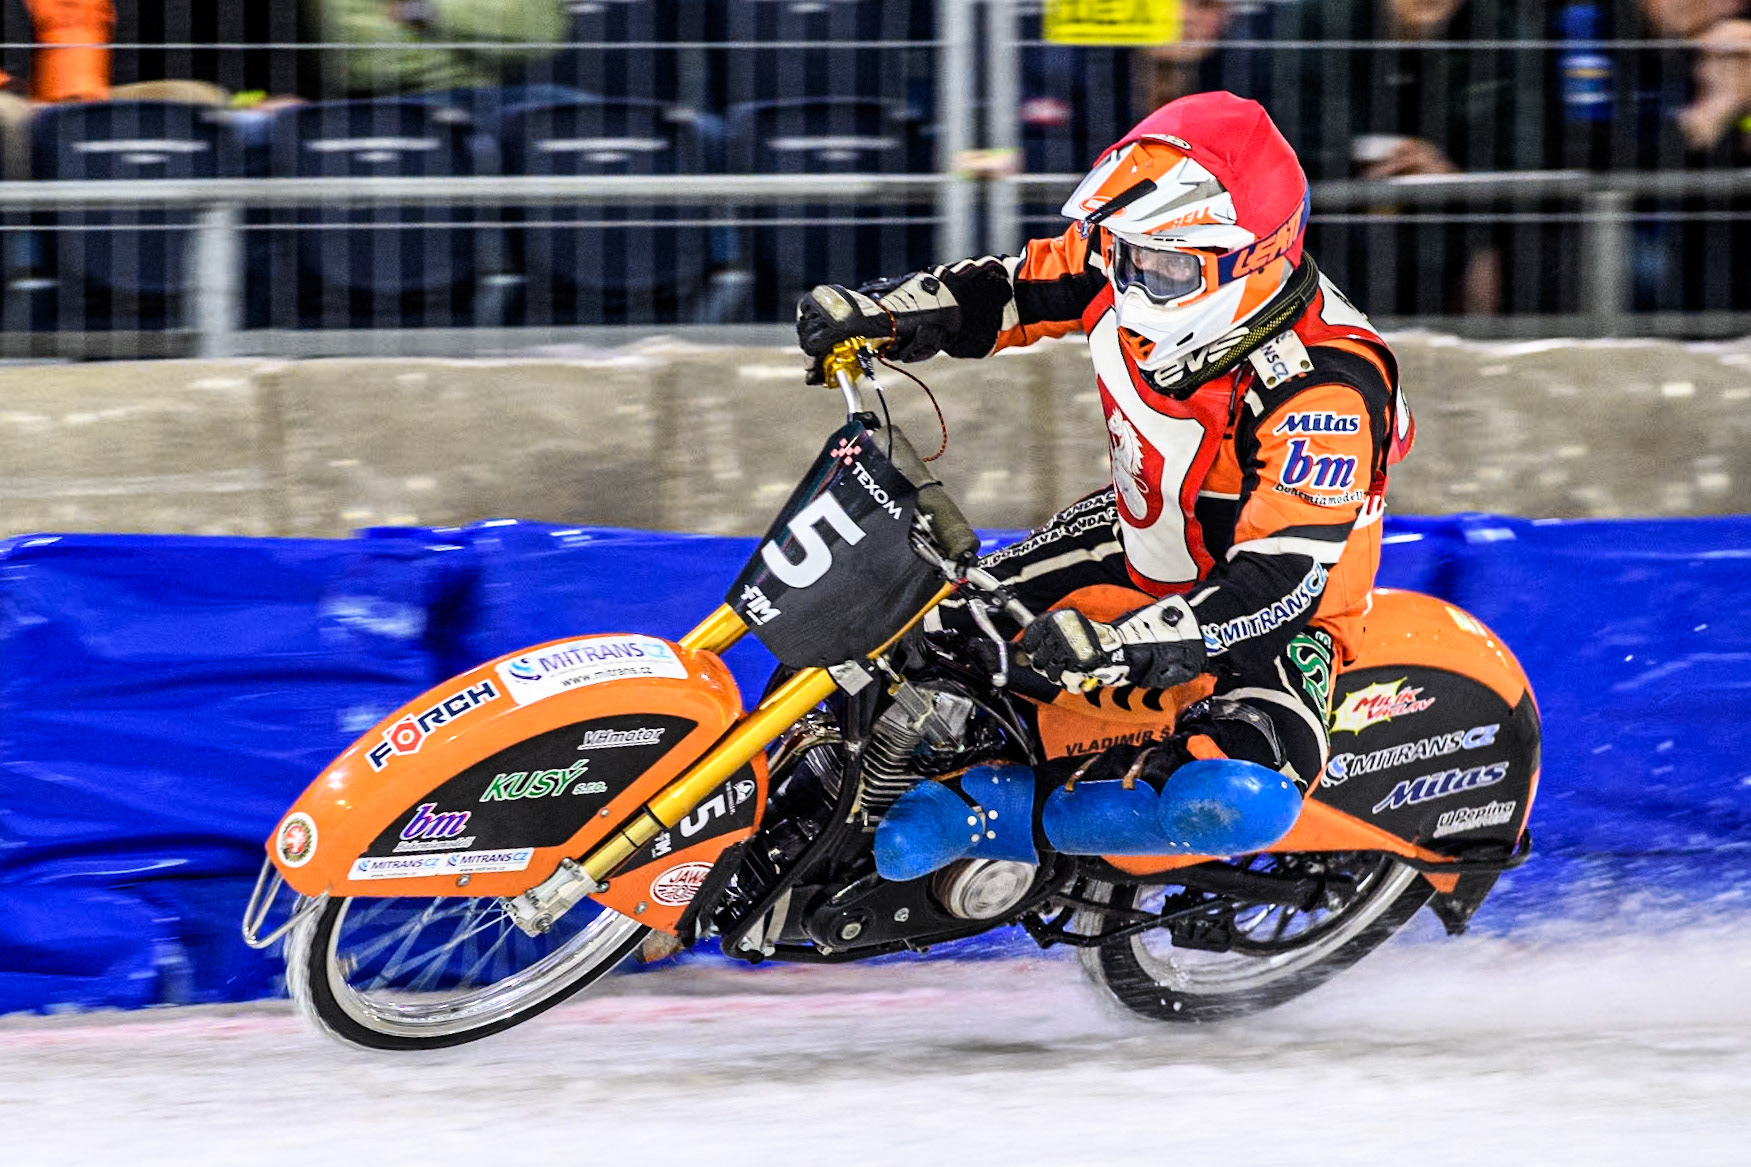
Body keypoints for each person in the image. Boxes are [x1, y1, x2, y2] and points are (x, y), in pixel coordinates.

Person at [795, 92, 1412, 873]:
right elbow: (1016, 285)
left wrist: (1129, 644)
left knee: (1228, 796)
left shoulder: (1321, 385)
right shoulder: (1133, 264)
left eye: (1162, 265)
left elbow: (1282, 577)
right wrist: (880, 313)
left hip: (1269, 610)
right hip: (1137, 533)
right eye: (1124, 251)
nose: (1129, 278)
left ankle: (995, 828)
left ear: (1253, 257)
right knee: (913, 628)